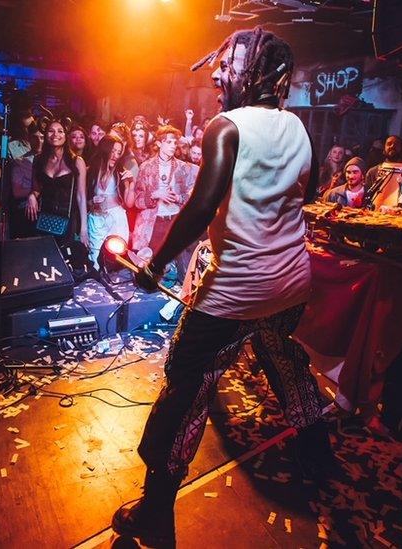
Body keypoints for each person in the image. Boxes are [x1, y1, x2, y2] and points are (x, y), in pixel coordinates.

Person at [112, 27, 331, 546]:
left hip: (235, 290)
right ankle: (318, 452)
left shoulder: (225, 126)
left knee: (185, 388)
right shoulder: (300, 127)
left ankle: (156, 509)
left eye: (229, 64)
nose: (216, 72)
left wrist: (157, 262)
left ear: (256, 74)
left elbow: (203, 205)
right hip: (291, 284)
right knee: (286, 362)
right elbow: (311, 188)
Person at [129, 125, 196, 281]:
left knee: (180, 271)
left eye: (175, 142)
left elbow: (194, 195)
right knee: (151, 269)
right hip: (155, 222)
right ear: (159, 143)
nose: (173, 146)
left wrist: (179, 198)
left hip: (176, 221)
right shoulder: (146, 167)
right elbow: (137, 201)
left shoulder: (183, 168)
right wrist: (154, 194)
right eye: (169, 142)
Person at [30, 119, 88, 247]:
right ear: (46, 135)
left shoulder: (77, 162)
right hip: (44, 219)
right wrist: (32, 196)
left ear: (65, 136)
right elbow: (36, 188)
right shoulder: (38, 159)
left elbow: (81, 196)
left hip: (67, 220)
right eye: (51, 131)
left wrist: (84, 228)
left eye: (60, 131)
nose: (55, 134)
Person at [86, 134, 134, 268]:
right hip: (96, 218)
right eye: (113, 151)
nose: (115, 155)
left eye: (119, 152)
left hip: (117, 218)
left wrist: (131, 184)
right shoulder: (89, 172)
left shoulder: (120, 172)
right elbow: (82, 200)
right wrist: (92, 201)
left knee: (116, 261)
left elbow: (129, 203)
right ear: (105, 149)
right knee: (96, 261)